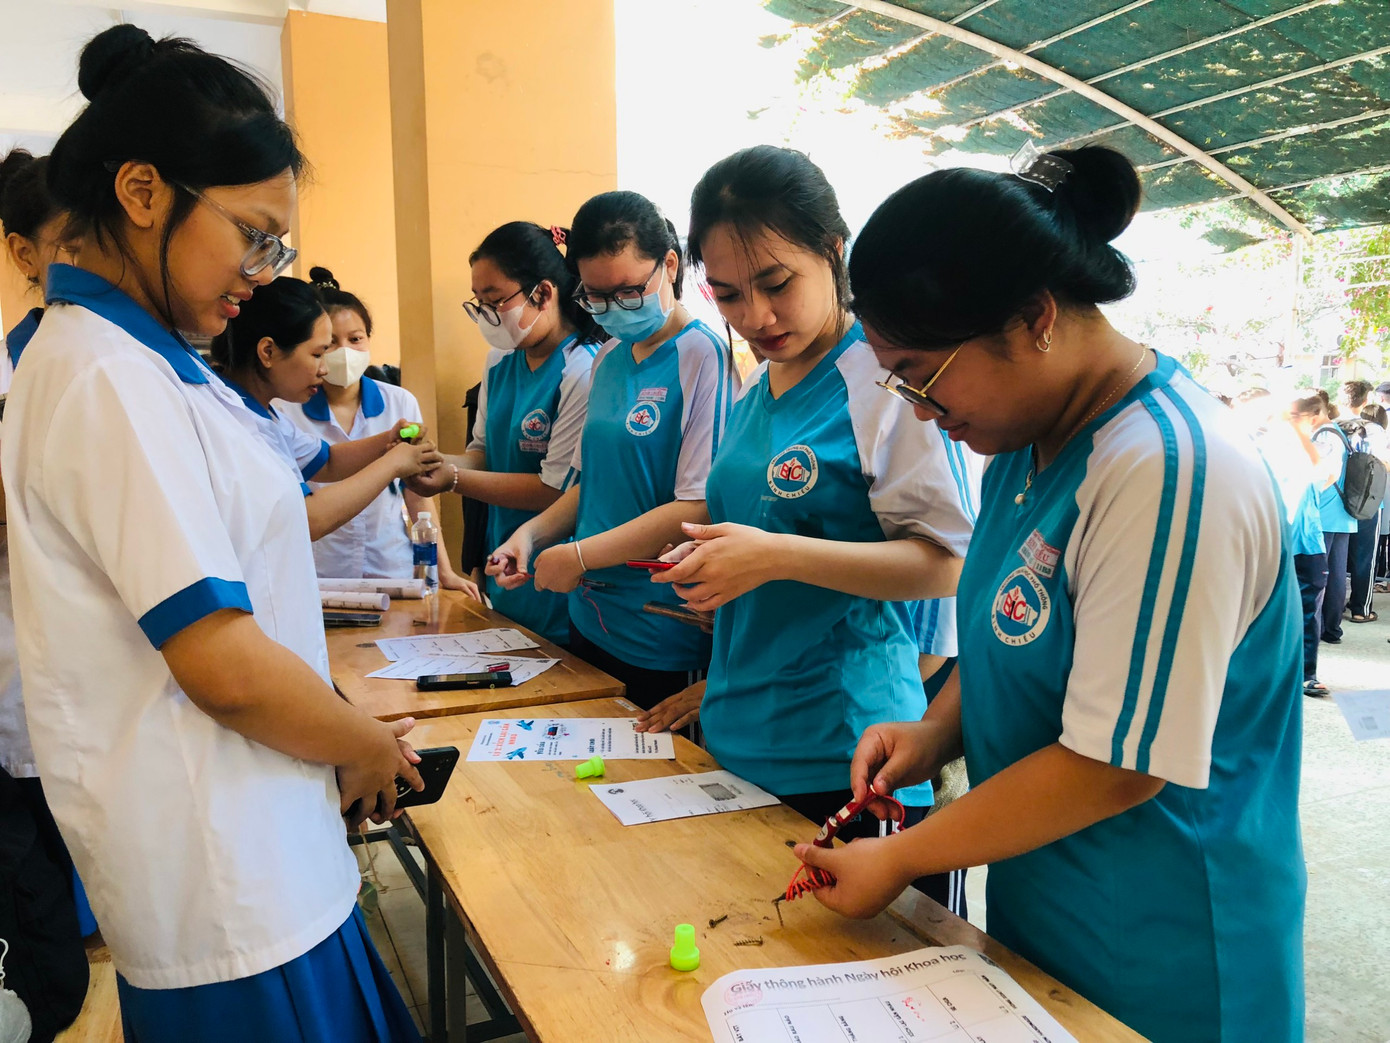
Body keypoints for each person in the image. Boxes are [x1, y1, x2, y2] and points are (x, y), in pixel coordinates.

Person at [789, 147, 1303, 1043]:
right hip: (1046, 905)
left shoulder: (1169, 472)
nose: (917, 407)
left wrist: (901, 859)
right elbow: (1009, 636)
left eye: (925, 374)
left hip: (1166, 944)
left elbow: (1118, 763)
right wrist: (933, 731)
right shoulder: (1026, 446)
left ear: (1034, 319)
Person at [4, 25, 424, 1040]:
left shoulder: (157, 364)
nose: (261, 270)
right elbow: (222, 661)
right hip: (226, 877)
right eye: (252, 232)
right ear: (143, 193)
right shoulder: (106, 376)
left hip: (263, 847)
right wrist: (361, 738)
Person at [633, 146, 978, 914]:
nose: (756, 315)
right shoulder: (761, 382)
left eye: (777, 284)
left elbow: (948, 560)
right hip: (741, 733)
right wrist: (718, 572)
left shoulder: (882, 378)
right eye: (726, 294)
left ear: (834, 251)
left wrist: (772, 558)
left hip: (844, 752)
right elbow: (762, 539)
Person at [488, 192, 737, 707]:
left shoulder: (702, 356)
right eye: (595, 297)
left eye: (626, 292)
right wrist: (529, 537)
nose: (611, 310)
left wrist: (581, 555)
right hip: (591, 616)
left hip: (661, 626)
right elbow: (589, 483)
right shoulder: (607, 358)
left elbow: (698, 506)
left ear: (669, 265)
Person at [406, 223, 603, 641]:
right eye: (479, 303)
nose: (488, 315)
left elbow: (554, 490)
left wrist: (452, 479)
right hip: (504, 569)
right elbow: (481, 453)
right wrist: (427, 460)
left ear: (544, 293)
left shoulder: (584, 370)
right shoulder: (499, 362)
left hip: (556, 579)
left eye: (495, 301)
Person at [0, 147, 92, 1041]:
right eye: (74, 241)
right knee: (37, 937)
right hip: (20, 686)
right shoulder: (19, 371)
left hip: (77, 687)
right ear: (26, 253)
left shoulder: (126, 359)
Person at [278, 266, 475, 594]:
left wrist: (444, 571)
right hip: (319, 576)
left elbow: (418, 495)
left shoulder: (399, 403)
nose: (345, 352)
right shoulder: (287, 410)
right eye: (329, 344)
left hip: (390, 571)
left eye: (356, 339)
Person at [210, 275, 444, 545]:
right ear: (268, 352)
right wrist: (393, 463)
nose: (324, 368)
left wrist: (388, 442)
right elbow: (309, 518)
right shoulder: (236, 422)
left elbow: (327, 460)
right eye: (319, 353)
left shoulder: (264, 416)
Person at [1313, 392, 1360, 641]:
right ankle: (1332, 629)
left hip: (1325, 510)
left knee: (1320, 573)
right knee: (1337, 573)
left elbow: (1325, 475)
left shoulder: (1323, 435)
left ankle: (1322, 628)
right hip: (1343, 513)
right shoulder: (1340, 433)